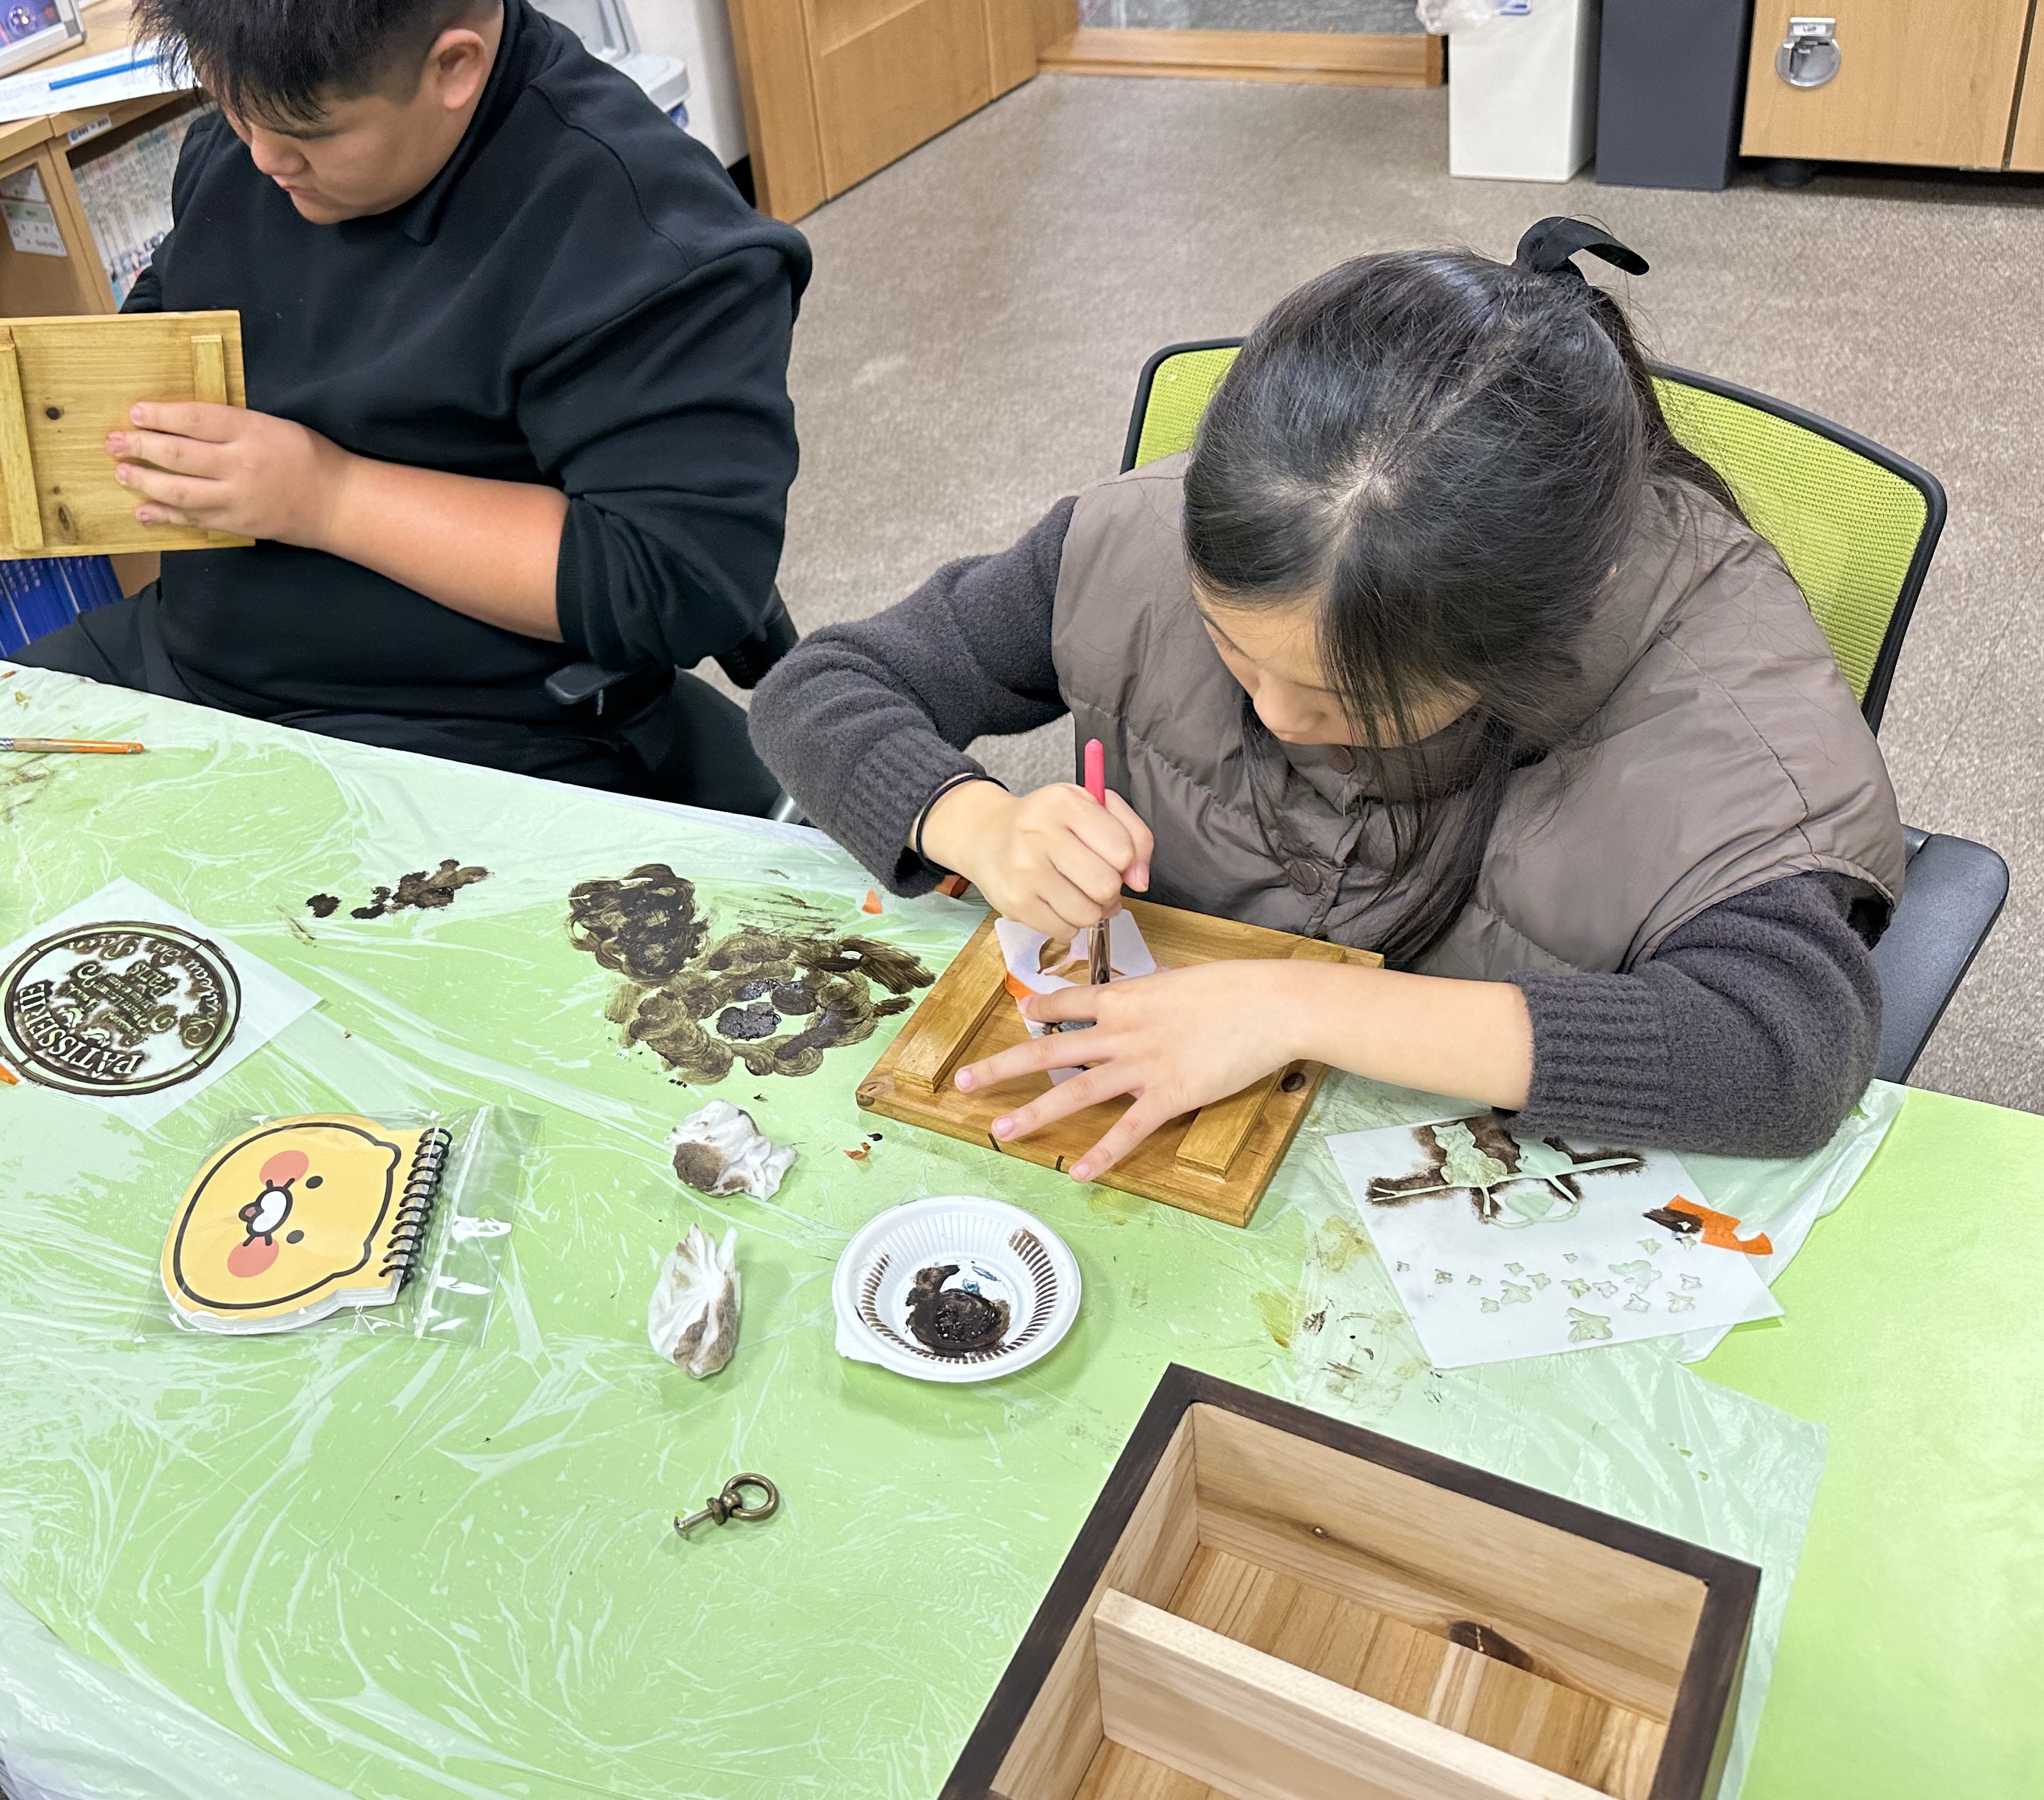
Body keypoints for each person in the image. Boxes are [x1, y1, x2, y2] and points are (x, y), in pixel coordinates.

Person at [750, 218, 1904, 1173]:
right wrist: (977, 824)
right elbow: (822, 685)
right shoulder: (1153, 537)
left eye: (1351, 702)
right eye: (1232, 650)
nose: (1276, 717)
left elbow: (1788, 1058)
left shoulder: (1725, 705)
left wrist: (1299, 1009)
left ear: (1543, 631)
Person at [14, 0, 808, 793]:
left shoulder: (644, 237)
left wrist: (327, 496)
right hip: (191, 661)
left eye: (308, 132)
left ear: (454, 67)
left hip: (477, 727)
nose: (262, 158)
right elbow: (182, 300)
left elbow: (676, 581)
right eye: (230, 106)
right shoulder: (254, 140)